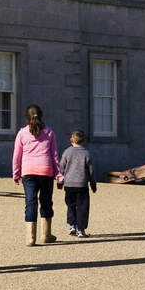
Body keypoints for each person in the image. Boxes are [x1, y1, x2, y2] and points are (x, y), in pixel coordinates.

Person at [10, 103, 61, 246]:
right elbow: (54, 155)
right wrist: (58, 174)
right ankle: (46, 234)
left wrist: (16, 173)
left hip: (28, 171)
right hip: (46, 170)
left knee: (30, 202)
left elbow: (16, 155)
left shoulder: (22, 132)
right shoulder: (49, 132)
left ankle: (30, 237)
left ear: (27, 117)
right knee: (46, 202)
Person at [58, 129, 97, 237]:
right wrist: (93, 184)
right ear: (83, 141)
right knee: (82, 207)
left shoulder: (67, 152)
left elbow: (61, 167)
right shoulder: (86, 153)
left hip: (69, 184)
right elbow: (91, 171)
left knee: (70, 205)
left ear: (71, 140)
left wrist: (60, 181)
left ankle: (72, 225)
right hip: (82, 185)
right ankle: (81, 230)